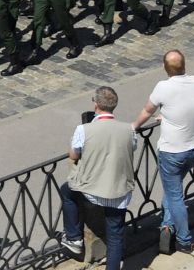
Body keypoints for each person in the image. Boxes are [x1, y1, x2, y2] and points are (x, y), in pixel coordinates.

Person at [57, 86, 136, 269]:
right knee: (115, 235)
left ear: (96, 105)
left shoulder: (84, 129)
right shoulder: (128, 129)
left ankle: (74, 238)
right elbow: (131, 147)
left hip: (92, 189)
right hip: (119, 191)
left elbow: (74, 155)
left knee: (66, 191)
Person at [134, 49, 194, 255]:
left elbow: (148, 110)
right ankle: (166, 225)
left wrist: (133, 126)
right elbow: (186, 105)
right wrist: (168, 115)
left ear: (165, 68)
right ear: (184, 65)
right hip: (193, 149)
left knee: (175, 196)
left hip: (172, 152)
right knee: (173, 189)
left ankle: (183, 239)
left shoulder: (163, 86)